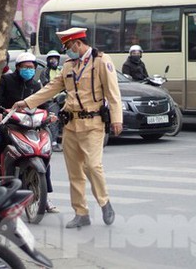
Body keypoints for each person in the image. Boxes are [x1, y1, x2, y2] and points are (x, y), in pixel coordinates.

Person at [13, 27, 123, 229]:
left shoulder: (101, 61)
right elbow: (51, 88)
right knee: (74, 172)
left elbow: (113, 92)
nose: (67, 51)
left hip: (93, 123)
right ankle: (81, 213)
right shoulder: (69, 65)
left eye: (68, 47)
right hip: (71, 124)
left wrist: (117, 119)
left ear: (78, 43)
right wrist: (27, 102)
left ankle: (104, 202)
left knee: (92, 165)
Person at [0, 52, 59, 213]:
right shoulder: (6, 80)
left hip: (32, 126)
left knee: (44, 153)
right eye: (26, 67)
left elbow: (45, 103)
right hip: (8, 123)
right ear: (18, 68)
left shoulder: (36, 85)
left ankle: (45, 195)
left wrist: (51, 114)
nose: (29, 70)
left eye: (32, 67)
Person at [40, 50, 63, 152]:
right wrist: (55, 96)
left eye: (55, 59)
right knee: (53, 119)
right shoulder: (45, 71)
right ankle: (53, 142)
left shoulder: (61, 70)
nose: (53, 61)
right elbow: (47, 85)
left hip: (63, 98)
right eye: (51, 59)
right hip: (51, 99)